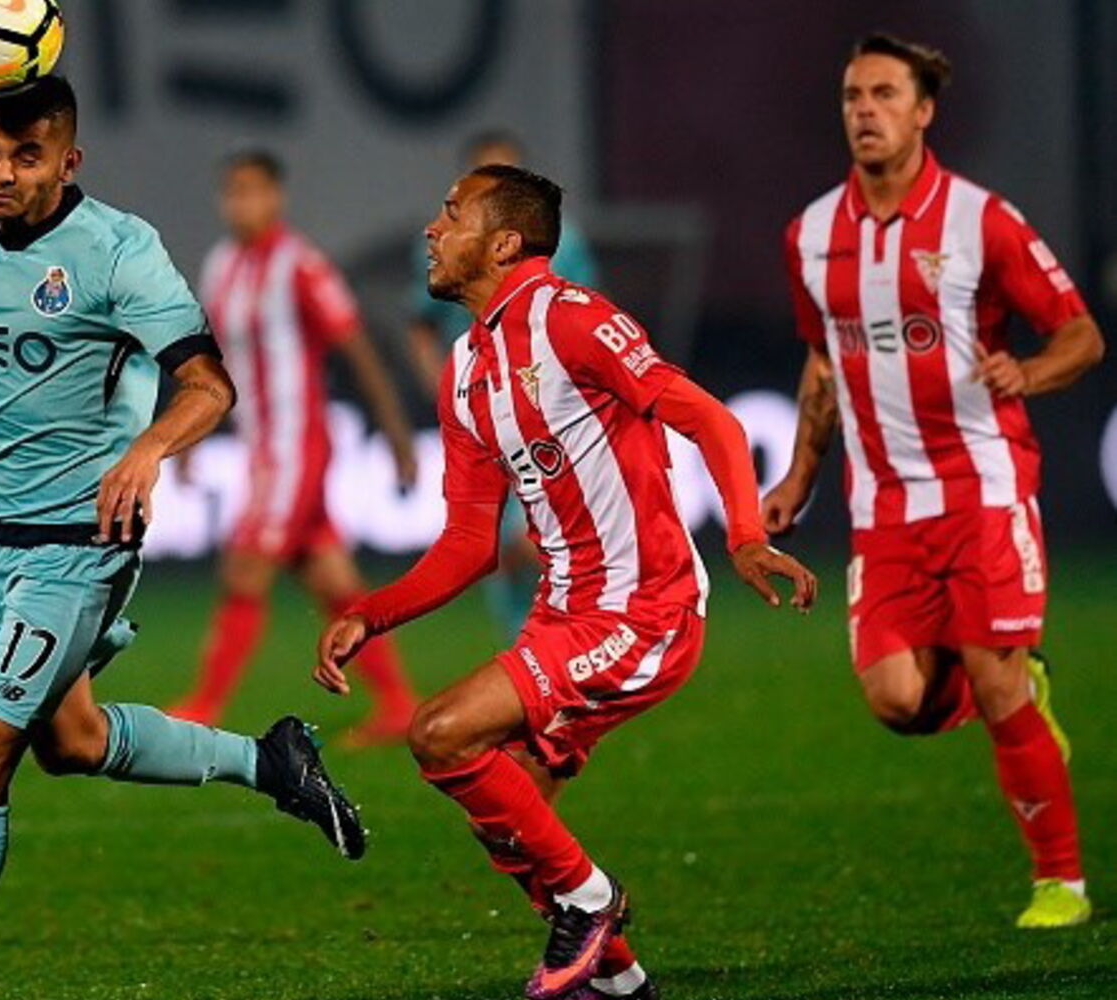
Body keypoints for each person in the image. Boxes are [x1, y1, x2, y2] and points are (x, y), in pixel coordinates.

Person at [0, 78, 366, 1000]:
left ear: (68, 161)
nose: (2, 174)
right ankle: (270, 761)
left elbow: (209, 386)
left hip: (84, 544)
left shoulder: (119, 250)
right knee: (71, 742)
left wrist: (147, 452)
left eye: (26, 156)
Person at [317, 164, 816, 1000]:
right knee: (509, 820)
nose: (432, 231)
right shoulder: (465, 368)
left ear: (503, 243)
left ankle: (592, 901)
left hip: (644, 609)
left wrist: (744, 534)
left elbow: (711, 419)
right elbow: (469, 542)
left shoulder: (574, 319)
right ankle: (620, 983)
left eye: (452, 215)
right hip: (562, 616)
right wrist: (373, 613)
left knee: (439, 732)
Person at [765, 34, 1105, 929]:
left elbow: (1080, 335)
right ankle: (1013, 683)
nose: (864, 111)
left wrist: (1028, 373)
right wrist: (799, 474)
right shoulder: (810, 236)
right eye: (853, 96)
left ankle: (1060, 883)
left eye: (885, 94)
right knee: (898, 701)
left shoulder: (980, 220)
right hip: (882, 504)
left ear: (924, 112)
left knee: (994, 685)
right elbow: (822, 363)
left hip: (983, 488)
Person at [167, 149, 420, 745]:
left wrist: (397, 434)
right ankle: (399, 703)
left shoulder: (300, 265)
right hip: (260, 447)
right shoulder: (222, 265)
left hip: (297, 447)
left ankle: (205, 703)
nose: (241, 203)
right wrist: (188, 435)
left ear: (275, 196)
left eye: (252, 191)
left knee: (245, 566)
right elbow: (209, 359)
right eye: (232, 192)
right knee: (332, 578)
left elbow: (358, 349)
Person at [405, 129, 602, 643]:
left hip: (547, 411)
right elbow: (420, 325)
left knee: (531, 541)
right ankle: (537, 654)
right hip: (482, 413)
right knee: (494, 546)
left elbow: (587, 319)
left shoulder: (565, 242)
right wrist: (446, 392)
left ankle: (565, 650)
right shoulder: (443, 243)